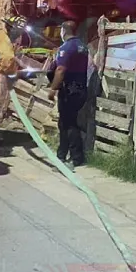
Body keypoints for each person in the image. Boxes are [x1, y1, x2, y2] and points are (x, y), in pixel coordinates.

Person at [48, 20, 89, 168]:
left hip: (69, 90)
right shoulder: (82, 47)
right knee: (66, 123)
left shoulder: (66, 47)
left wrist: (53, 88)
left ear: (63, 31)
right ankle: (62, 154)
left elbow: (60, 70)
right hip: (80, 88)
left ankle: (75, 158)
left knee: (68, 124)